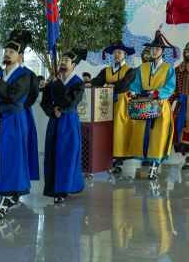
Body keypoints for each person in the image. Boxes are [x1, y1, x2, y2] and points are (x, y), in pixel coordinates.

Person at [0, 29, 40, 219]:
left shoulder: (25, 75)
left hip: (15, 120)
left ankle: (9, 195)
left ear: (20, 56)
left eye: (12, 52)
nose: (7, 54)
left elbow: (13, 95)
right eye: (6, 51)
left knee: (13, 157)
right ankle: (6, 192)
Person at [128, 30, 178, 179]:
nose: (154, 51)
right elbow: (136, 84)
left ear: (162, 51)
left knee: (158, 135)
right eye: (152, 49)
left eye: (157, 49)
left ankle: (155, 165)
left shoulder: (168, 68)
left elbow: (170, 87)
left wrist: (157, 93)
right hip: (144, 105)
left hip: (160, 106)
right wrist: (133, 91)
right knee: (142, 133)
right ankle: (145, 159)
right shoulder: (143, 68)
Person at [42, 48, 87, 204]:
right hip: (54, 122)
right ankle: (54, 188)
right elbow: (45, 102)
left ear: (73, 65)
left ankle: (64, 189)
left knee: (67, 155)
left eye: (66, 61)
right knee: (53, 154)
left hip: (69, 122)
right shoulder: (53, 82)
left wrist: (60, 107)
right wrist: (52, 110)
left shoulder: (78, 83)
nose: (62, 63)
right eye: (61, 60)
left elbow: (71, 102)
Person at [90, 41, 137, 172]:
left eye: (120, 52)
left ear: (125, 54)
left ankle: (119, 159)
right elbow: (97, 81)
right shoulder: (106, 70)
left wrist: (110, 85)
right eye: (115, 52)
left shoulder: (130, 71)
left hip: (122, 103)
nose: (117, 55)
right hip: (106, 102)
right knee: (107, 128)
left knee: (119, 129)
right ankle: (108, 157)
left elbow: (124, 85)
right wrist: (88, 83)